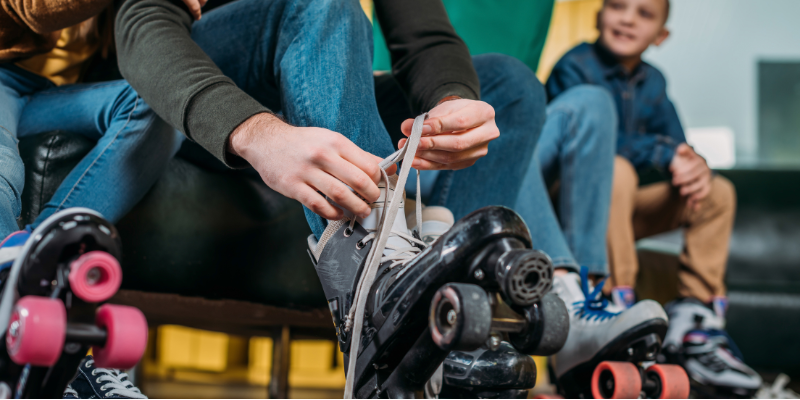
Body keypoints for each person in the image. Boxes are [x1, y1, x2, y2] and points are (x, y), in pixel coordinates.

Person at [546, 0, 761, 395]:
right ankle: (617, 305)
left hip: (622, 212)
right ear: (598, 17)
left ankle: (695, 324)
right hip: (570, 209)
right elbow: (585, 148)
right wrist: (663, 153)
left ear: (660, 37)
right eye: (617, 6)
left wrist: (692, 163)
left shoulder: (654, 82)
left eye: (644, 14)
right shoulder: (574, 66)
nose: (627, 18)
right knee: (619, 171)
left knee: (716, 191)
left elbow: (677, 147)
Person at [0, 0, 184, 397]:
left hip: (58, 95)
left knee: (166, 99)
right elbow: (34, 9)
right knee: (2, 163)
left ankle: (39, 258)